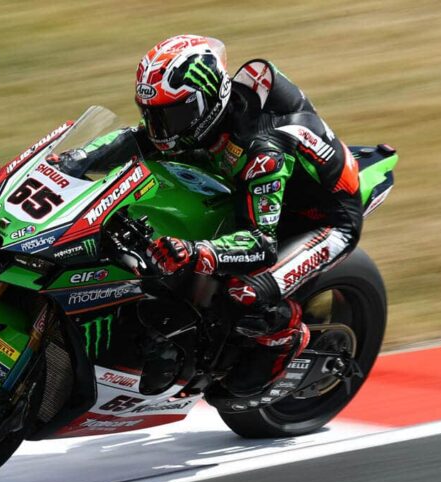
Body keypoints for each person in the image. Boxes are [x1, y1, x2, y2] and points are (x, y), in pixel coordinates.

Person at [57, 35, 363, 399]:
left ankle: (285, 338)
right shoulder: (197, 121)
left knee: (243, 294)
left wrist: (195, 251)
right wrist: (74, 161)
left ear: (208, 103)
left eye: (172, 116)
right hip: (252, 191)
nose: (160, 129)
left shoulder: (261, 150)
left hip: (322, 220)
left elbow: (261, 244)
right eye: (152, 115)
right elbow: (138, 140)